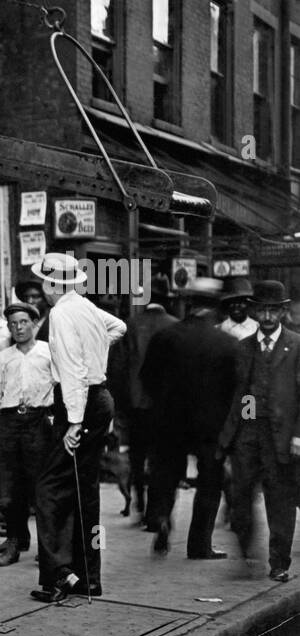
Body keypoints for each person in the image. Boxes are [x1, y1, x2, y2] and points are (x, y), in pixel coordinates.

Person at [30, 253, 126, 602]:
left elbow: (71, 372)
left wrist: (73, 421)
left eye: (43, 281)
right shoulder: (85, 307)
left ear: (53, 284)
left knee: (48, 487)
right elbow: (119, 327)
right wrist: (96, 353)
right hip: (100, 398)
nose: (41, 288)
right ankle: (88, 578)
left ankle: (60, 571)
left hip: (79, 402)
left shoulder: (60, 313)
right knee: (84, 489)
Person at [141, 278, 237, 561]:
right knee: (209, 481)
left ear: (189, 304)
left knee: (166, 475)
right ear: (217, 308)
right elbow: (236, 389)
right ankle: (199, 545)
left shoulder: (165, 337)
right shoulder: (226, 344)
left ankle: (160, 517)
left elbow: (147, 378)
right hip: (210, 427)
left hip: (168, 421)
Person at [218, 280, 300, 582]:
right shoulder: (243, 348)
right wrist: (234, 434)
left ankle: (279, 563)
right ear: (255, 311)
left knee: (280, 501)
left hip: (282, 436)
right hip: (248, 434)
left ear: (282, 312)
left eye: (273, 311)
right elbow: (239, 393)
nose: (267, 317)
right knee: (240, 499)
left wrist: (297, 436)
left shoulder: (296, 345)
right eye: (262, 310)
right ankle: (248, 552)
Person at [0, 302, 54, 567]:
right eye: (13, 324)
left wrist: (52, 417)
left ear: (34, 324)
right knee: (9, 490)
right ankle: (14, 543)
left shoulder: (48, 353)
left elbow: (59, 384)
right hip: (10, 422)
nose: (19, 328)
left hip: (38, 422)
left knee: (40, 488)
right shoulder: (5, 356)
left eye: (24, 322)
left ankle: (46, 548)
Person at [112, 276, 177, 528]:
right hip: (166, 408)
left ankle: (139, 504)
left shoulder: (130, 326)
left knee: (137, 459)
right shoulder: (174, 326)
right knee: (163, 460)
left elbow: (117, 369)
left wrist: (121, 405)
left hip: (136, 407)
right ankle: (158, 511)